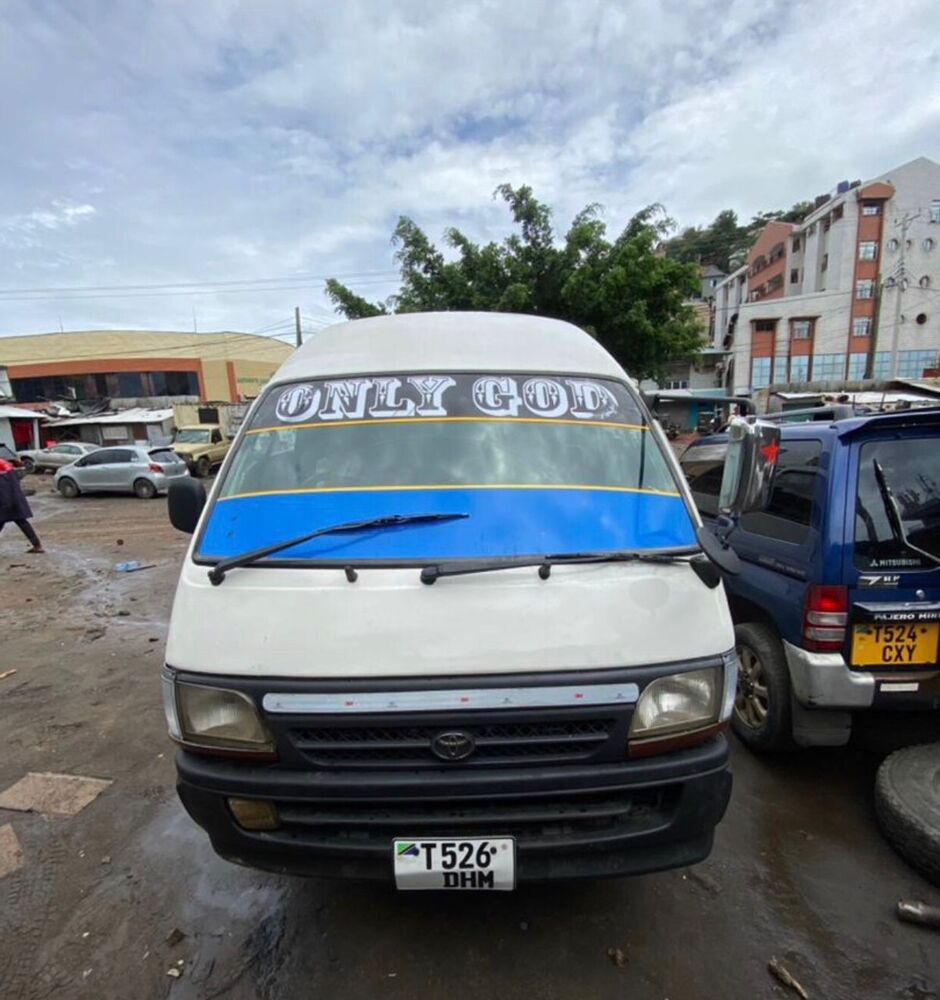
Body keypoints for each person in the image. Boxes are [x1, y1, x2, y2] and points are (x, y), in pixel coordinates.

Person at [0, 456, 45, 553]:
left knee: (18, 521)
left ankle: (37, 545)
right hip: (14, 499)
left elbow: (3, 487)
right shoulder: (6, 466)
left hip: (5, 501)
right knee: (22, 522)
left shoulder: (3, 469)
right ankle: (37, 545)